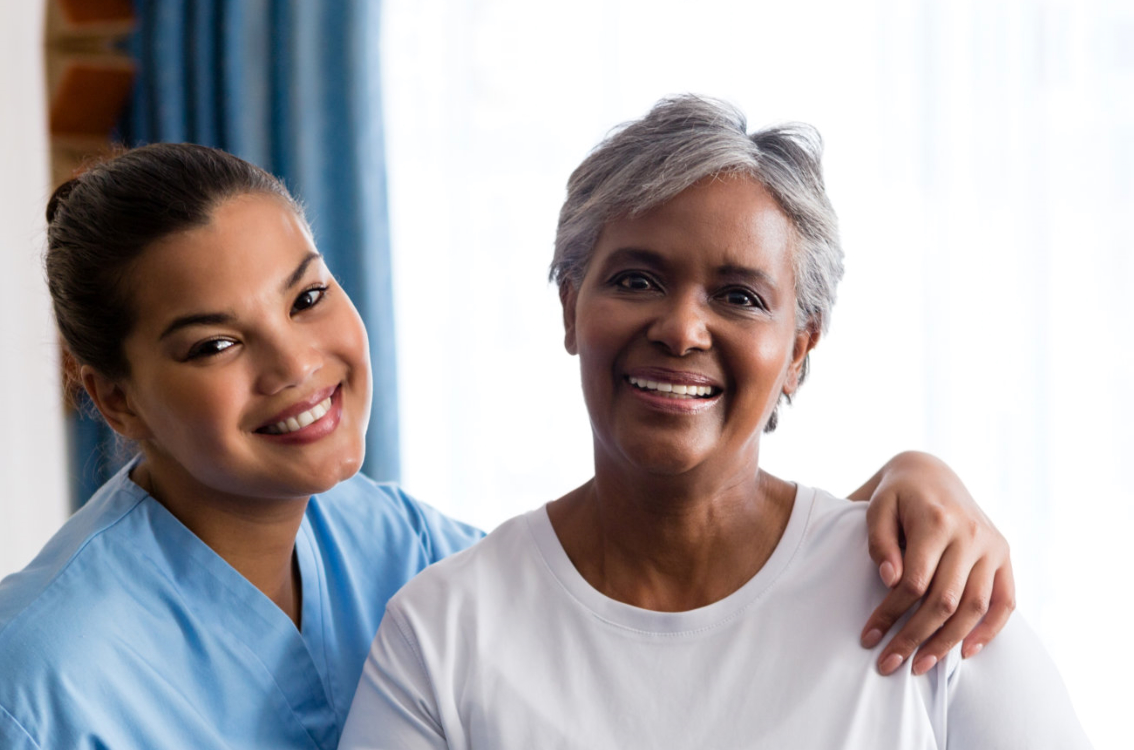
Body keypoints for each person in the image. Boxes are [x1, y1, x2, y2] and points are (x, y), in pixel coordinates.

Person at [0, 143, 1019, 750]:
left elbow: (653, 587)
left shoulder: (391, 548)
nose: (296, 366)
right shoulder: (24, 695)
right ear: (113, 397)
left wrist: (898, 490)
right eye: (215, 342)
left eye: (308, 295)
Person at [338, 96, 1088, 749]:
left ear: (799, 349)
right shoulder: (443, 633)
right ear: (570, 307)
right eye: (637, 280)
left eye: (739, 297)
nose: (682, 329)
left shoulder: (931, 599)